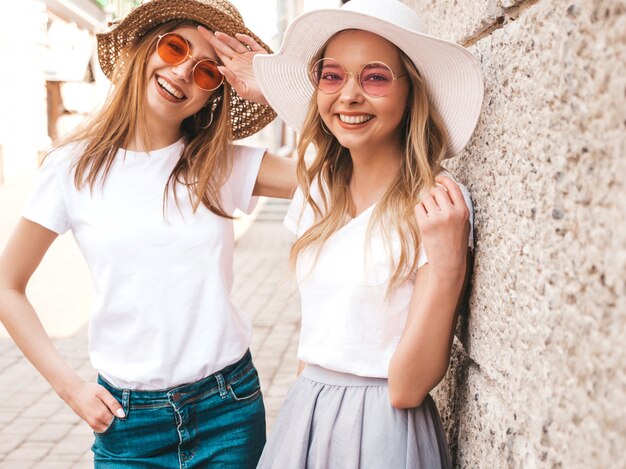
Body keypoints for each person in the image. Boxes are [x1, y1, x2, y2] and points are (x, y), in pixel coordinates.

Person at [0, 0, 296, 467]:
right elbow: (6, 285)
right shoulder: (70, 168)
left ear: (213, 94)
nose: (182, 72)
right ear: (143, 48)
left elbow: (339, 173)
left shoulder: (220, 165)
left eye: (206, 72)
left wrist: (277, 91)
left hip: (228, 411)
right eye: (175, 47)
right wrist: (71, 389)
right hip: (128, 424)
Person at [212, 0, 484, 466]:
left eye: (375, 76)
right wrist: (273, 89)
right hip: (306, 410)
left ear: (412, 92)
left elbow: (408, 387)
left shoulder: (435, 206)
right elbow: (320, 338)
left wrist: (447, 265)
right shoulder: (318, 192)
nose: (350, 95)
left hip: (383, 428)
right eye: (332, 75)